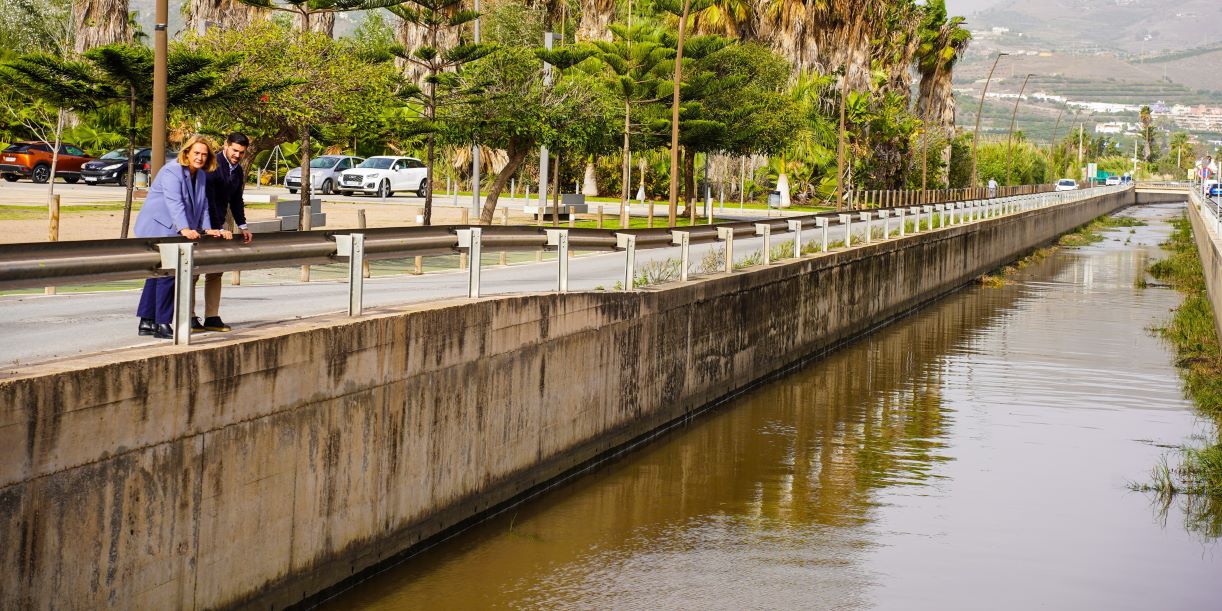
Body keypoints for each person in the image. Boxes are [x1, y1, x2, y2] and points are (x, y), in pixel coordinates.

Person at [134, 136, 231, 339]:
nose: (200, 157)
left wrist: (206, 230)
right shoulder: (172, 171)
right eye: (196, 153)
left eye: (204, 154)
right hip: (158, 227)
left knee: (157, 274)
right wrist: (185, 228)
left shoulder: (201, 175)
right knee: (169, 273)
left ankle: (147, 320)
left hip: (175, 228)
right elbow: (174, 202)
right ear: (186, 153)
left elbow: (202, 205)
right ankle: (162, 323)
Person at [194, 132, 251, 332]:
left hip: (218, 224)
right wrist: (211, 228)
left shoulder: (237, 170)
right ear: (226, 145)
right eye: (235, 150)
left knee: (215, 271)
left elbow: (236, 199)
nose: (237, 155)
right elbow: (206, 199)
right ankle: (190, 316)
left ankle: (212, 316)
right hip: (201, 224)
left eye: (241, 152)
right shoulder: (212, 164)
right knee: (192, 272)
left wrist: (242, 225)